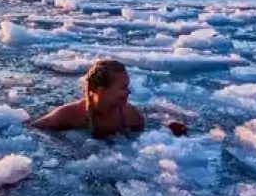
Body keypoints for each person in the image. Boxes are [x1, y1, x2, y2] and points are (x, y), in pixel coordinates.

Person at [32, 59, 187, 139]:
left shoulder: (130, 115)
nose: (128, 92)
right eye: (122, 87)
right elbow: (33, 130)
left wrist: (169, 130)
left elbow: (145, 138)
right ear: (100, 90)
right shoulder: (68, 115)